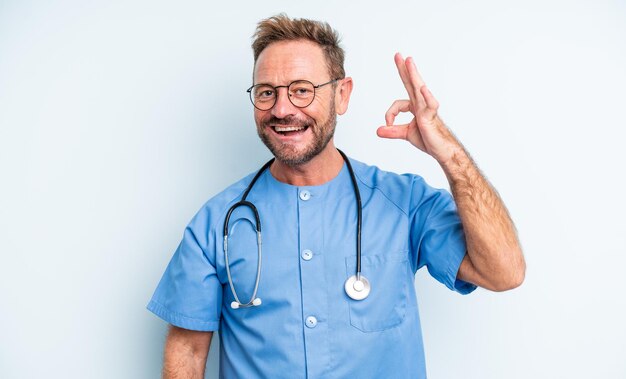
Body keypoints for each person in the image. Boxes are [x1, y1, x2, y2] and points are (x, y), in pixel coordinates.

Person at [147, 14, 525, 379]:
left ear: (341, 95)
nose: (281, 109)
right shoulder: (217, 223)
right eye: (267, 93)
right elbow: (188, 351)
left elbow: (504, 272)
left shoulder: (406, 203)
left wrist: (449, 152)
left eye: (301, 90)